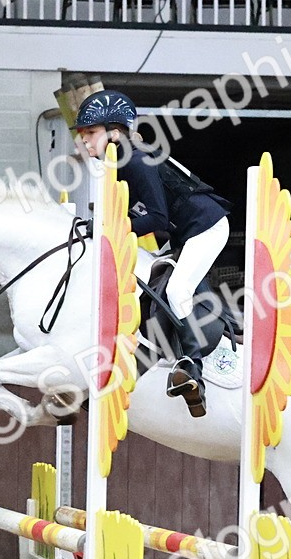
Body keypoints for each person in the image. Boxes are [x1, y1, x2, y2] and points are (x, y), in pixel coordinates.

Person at [74, 89, 231, 418]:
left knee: (176, 290)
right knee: (149, 293)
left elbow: (156, 218)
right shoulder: (121, 162)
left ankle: (192, 368)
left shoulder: (135, 161)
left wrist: (107, 228)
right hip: (183, 232)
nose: (84, 140)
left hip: (206, 226)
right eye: (83, 133)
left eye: (91, 132)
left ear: (114, 133)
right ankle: (130, 373)